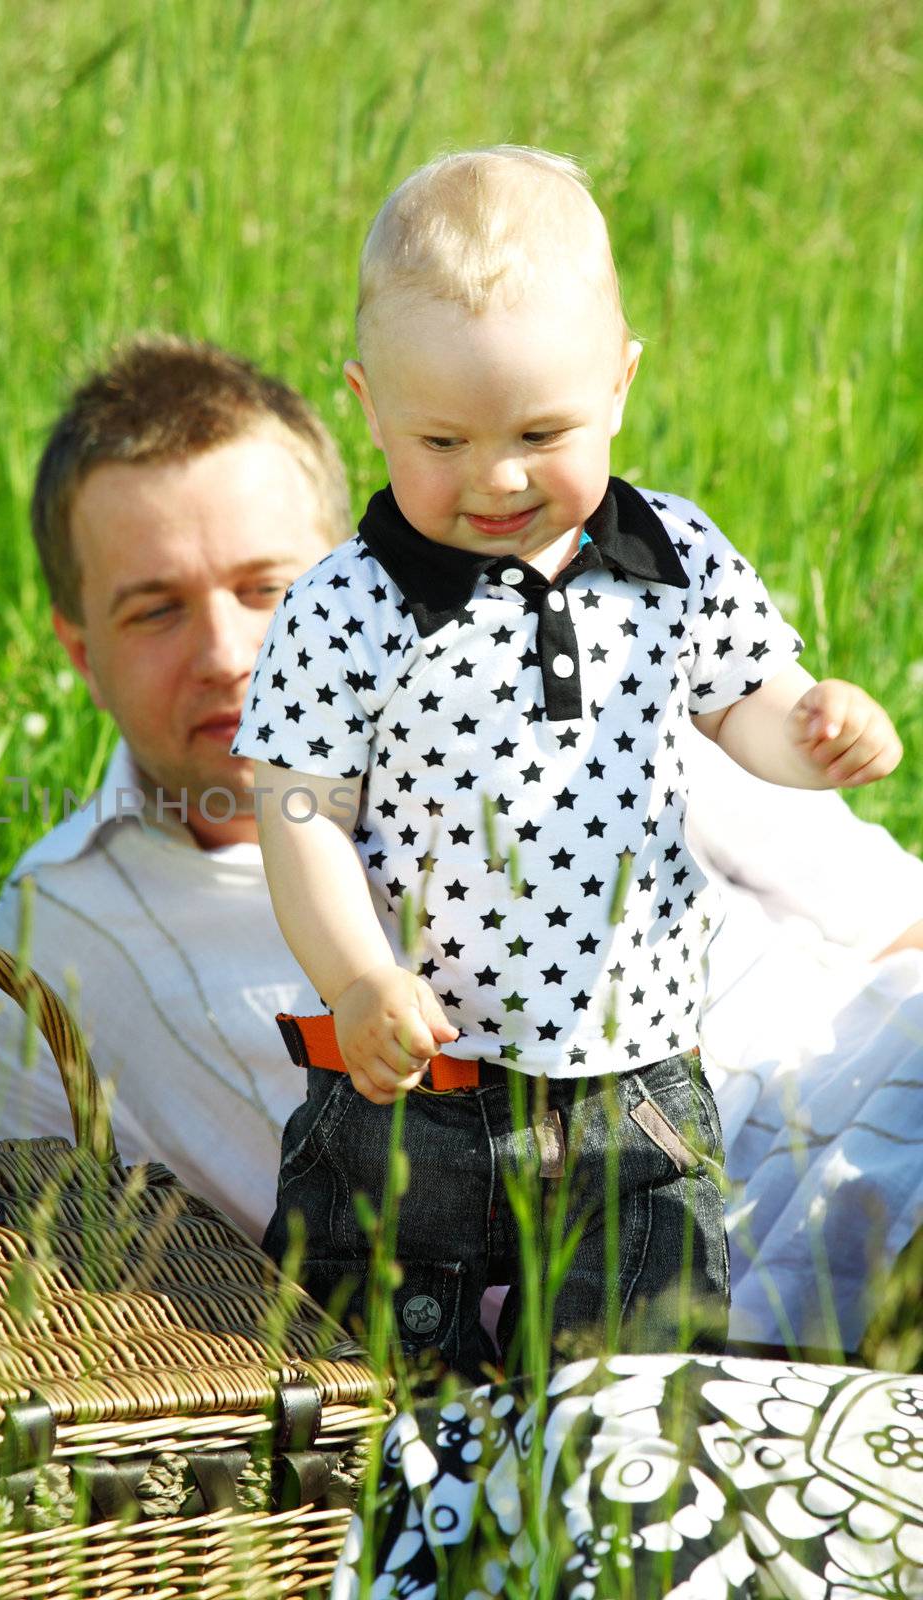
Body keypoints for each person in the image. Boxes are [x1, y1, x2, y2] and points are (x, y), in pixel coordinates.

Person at [0, 330, 923, 1361]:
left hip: (867, 1122)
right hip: (651, 1333)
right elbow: (6, 1281)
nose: (228, 656)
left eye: (265, 590)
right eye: (155, 610)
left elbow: (892, 918)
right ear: (79, 651)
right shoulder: (61, 934)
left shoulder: (570, 653)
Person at [228, 145, 901, 1373]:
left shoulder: (669, 555)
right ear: (367, 404)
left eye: (543, 430)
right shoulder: (345, 606)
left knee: (631, 1377)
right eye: (440, 439)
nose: (494, 477)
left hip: (631, 1073)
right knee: (369, 1364)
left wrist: (818, 732)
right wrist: (354, 976)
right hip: (417, 1069)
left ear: (621, 384)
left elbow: (750, 704)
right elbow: (301, 811)